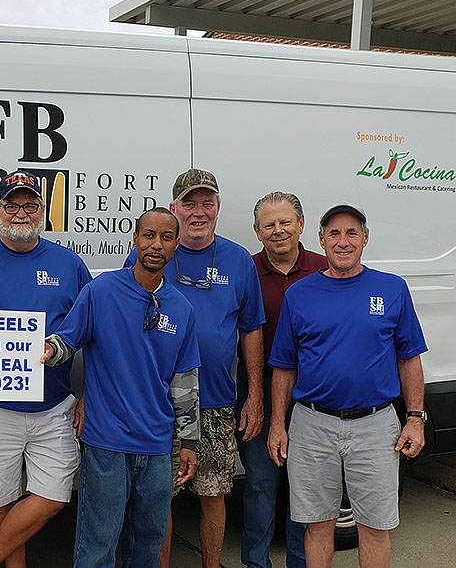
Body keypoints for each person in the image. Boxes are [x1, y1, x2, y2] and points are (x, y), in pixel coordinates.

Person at [267, 203, 427, 568]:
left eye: (352, 233)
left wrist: (415, 418)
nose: (343, 241)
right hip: (312, 425)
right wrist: (279, 423)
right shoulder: (300, 294)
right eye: (334, 234)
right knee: (317, 525)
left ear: (365, 239)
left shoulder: (392, 289)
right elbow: (284, 366)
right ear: (320, 240)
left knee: (374, 527)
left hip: (376, 426)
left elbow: (409, 358)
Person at [43, 208, 201, 567]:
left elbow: (185, 382)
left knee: (147, 544)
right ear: (135, 239)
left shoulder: (182, 308)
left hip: (158, 448)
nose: (156, 245)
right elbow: (68, 338)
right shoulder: (101, 291)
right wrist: (49, 350)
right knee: (98, 545)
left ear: (176, 245)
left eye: (165, 237)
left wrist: (189, 441)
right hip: (107, 444)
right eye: (148, 235)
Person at [0, 170, 92, 568]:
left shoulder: (70, 265)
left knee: (55, 494)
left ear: (44, 212)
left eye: (31, 205)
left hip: (54, 404)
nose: (21, 212)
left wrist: (87, 396)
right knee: (0, 498)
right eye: (11, 205)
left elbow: (92, 335)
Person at [128, 169, 266, 568]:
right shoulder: (151, 254)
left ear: (219, 208)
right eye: (189, 203)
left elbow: (251, 330)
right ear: (174, 209)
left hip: (217, 402)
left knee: (214, 493)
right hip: (158, 405)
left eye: (207, 203)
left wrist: (254, 395)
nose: (198, 212)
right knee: (158, 498)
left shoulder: (239, 261)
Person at [239, 192, 327, 568]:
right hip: (259, 387)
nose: (278, 231)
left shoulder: (327, 268)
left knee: (303, 487)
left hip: (313, 394)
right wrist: (255, 396)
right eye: (269, 225)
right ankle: (255, 563)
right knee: (260, 482)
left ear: (301, 224)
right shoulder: (246, 271)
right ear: (257, 231)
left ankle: (298, 561)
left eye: (285, 222)